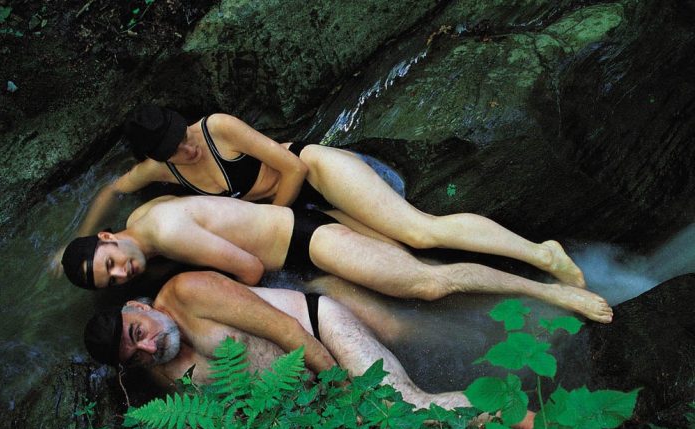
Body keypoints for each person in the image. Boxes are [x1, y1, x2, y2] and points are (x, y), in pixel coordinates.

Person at [51, 104, 584, 293]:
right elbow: (110, 189)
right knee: (406, 261)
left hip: (315, 177)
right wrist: (75, 241)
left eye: (182, 135)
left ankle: (542, 253)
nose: (186, 148)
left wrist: (271, 216)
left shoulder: (217, 128)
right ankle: (516, 286)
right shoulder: (155, 172)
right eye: (174, 149)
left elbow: (294, 167)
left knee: (419, 231)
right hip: (296, 215)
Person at [83, 270, 535, 429]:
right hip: (302, 395)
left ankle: (530, 421)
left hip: (321, 331)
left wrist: (343, 392)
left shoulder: (188, 291)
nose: (149, 346)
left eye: (139, 331)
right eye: (135, 355)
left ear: (140, 307)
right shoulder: (160, 371)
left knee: (405, 410)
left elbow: (286, 329)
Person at [62, 195, 613, 323]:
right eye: (110, 280)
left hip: (307, 241)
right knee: (401, 311)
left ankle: (548, 287)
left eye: (110, 262)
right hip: (295, 250)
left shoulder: (164, 230)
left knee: (427, 284)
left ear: (108, 237)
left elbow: (249, 271)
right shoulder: (141, 225)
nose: (121, 273)